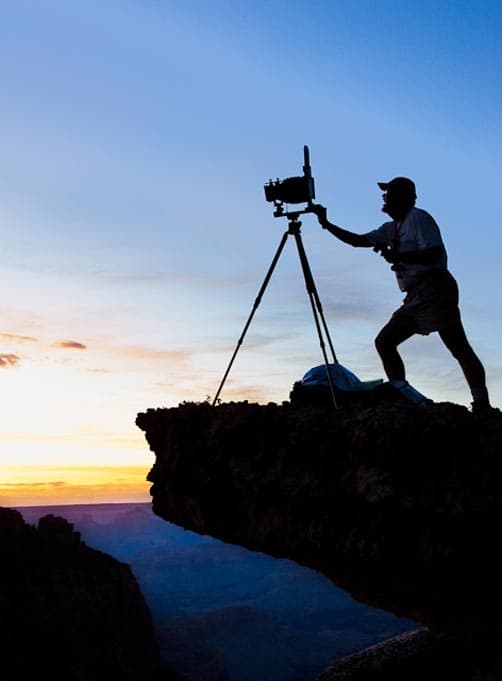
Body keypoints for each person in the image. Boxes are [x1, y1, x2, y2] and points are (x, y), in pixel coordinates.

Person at [311, 176, 493, 413]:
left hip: (435, 289)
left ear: (404, 198)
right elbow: (357, 241)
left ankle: (481, 404)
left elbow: (434, 253)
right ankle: (401, 396)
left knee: (458, 346)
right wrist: (325, 223)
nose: (384, 198)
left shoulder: (418, 218)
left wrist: (399, 257)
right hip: (414, 296)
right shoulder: (391, 229)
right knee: (385, 342)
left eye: (388, 193)